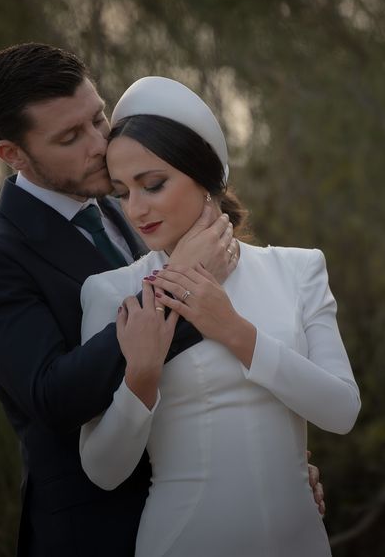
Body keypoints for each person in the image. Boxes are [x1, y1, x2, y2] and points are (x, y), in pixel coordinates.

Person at [0, 43, 303, 557]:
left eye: (99, 118)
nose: (100, 144)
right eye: (71, 137)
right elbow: (54, 397)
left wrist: (280, 468)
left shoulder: (125, 206)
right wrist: (184, 284)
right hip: (97, 531)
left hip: (205, 512)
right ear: (13, 154)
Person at [78, 76, 360, 556]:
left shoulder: (299, 269)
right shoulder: (114, 292)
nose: (136, 209)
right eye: (123, 192)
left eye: (153, 184)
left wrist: (232, 330)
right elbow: (103, 470)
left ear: (206, 176)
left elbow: (342, 410)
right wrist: (142, 375)